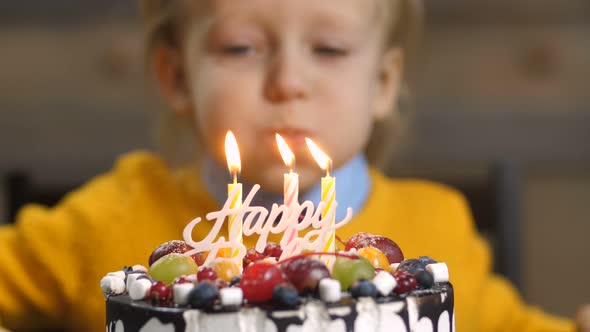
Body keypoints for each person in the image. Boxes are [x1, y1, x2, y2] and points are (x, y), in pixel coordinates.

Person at [0, 0, 587, 331]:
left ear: (383, 83)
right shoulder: (109, 216)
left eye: (329, 49)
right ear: (176, 76)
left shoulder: (440, 227)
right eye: (242, 48)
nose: (288, 83)